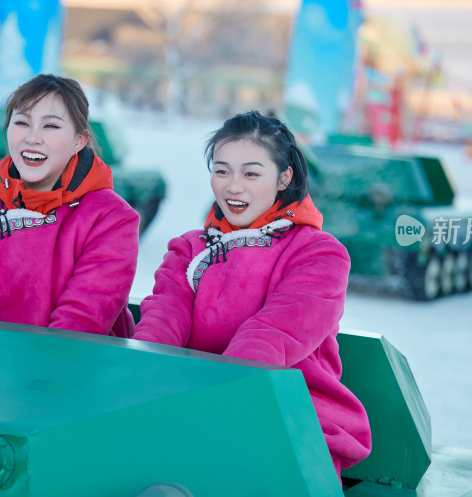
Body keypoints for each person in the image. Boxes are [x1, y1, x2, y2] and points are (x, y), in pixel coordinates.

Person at [133, 111, 371, 481]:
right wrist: (140, 377)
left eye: (251, 173)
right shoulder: (190, 248)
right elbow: (164, 318)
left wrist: (215, 401)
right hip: (187, 407)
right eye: (222, 170)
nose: (233, 186)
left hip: (288, 417)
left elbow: (273, 334)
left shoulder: (319, 254)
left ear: (284, 178)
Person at [0, 74, 138, 338]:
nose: (32, 137)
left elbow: (83, 316)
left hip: (72, 368)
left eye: (50, 126)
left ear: (78, 141)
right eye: (22, 123)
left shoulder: (110, 218)